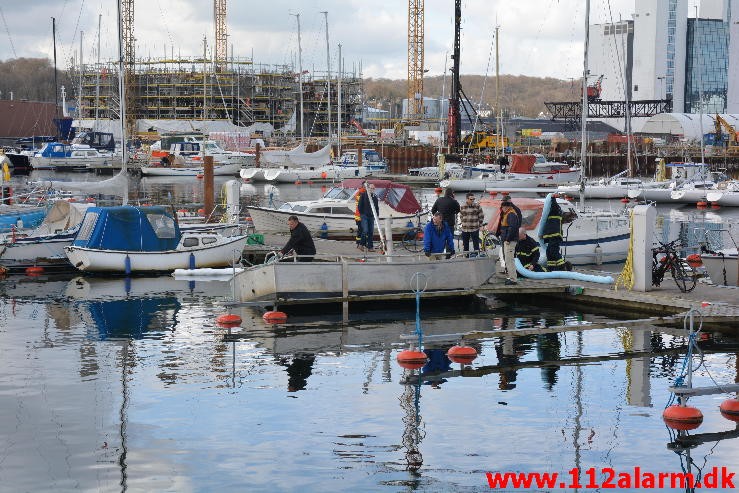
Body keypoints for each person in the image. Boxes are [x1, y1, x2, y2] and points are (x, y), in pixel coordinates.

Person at [496, 199, 520, 285]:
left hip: (510, 241)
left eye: (503, 207)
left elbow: (512, 228)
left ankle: (513, 279)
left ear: (506, 207)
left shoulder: (511, 214)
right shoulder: (507, 214)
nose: (502, 209)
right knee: (508, 259)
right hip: (507, 240)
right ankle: (511, 277)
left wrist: (507, 239)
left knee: (509, 260)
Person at [542, 194, 566, 271]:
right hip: (551, 235)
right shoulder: (550, 213)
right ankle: (551, 267)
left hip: (555, 235)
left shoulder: (555, 210)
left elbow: (554, 206)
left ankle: (562, 266)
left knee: (554, 251)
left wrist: (552, 198)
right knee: (549, 252)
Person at [357, 182, 379, 252]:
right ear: (368, 188)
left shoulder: (375, 197)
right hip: (364, 215)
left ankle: (370, 247)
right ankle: (361, 244)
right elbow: (359, 206)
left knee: (371, 232)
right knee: (365, 230)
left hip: (372, 216)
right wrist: (362, 214)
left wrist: (377, 216)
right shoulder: (363, 195)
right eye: (371, 188)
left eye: (373, 188)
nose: (372, 189)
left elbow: (376, 208)